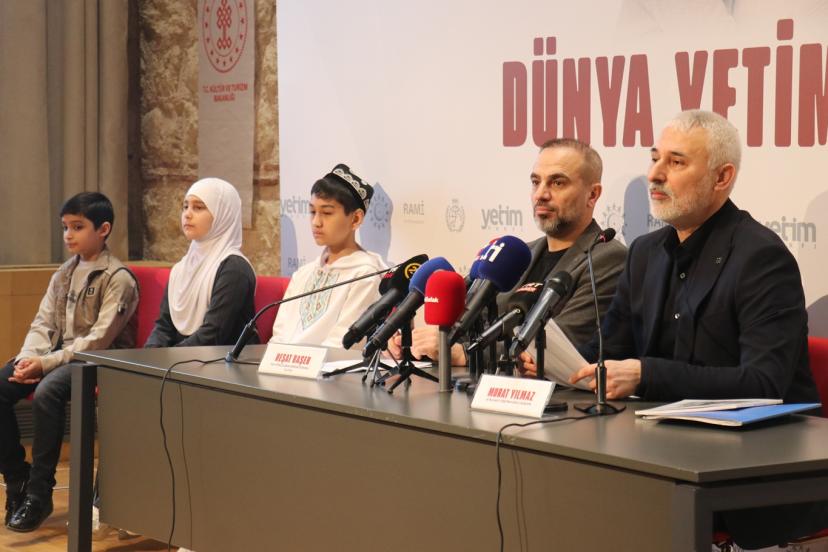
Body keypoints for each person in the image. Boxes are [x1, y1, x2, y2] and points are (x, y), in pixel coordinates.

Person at [568, 110, 825, 548]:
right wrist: (550, 359)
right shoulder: (645, 252)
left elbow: (763, 384)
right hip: (660, 450)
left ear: (722, 177)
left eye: (676, 162)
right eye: (655, 158)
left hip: (754, 473)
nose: (655, 174)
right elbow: (607, 349)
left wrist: (647, 374)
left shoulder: (761, 258)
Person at [389, 139, 626, 368]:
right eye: (536, 182)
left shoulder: (608, 259)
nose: (540, 194)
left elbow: (558, 346)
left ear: (592, 195)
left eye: (557, 183)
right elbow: (467, 324)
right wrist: (415, 342)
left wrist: (465, 354)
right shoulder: (516, 254)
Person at [0, 192, 138, 532]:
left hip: (98, 362)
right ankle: (17, 477)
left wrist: (45, 365)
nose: (68, 235)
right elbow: (43, 323)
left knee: (48, 392)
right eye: (65, 227)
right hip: (57, 356)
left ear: (103, 229)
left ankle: (39, 492)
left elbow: (98, 341)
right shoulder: (64, 273)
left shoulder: (118, 277)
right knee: (2, 385)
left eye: (78, 227)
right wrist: (29, 358)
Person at [271, 164, 387, 347]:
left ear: (355, 219)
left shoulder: (365, 275)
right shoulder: (303, 274)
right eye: (312, 212)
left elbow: (345, 344)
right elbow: (279, 334)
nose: (316, 222)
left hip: (328, 364)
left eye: (326, 213)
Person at [145, 178, 256, 348]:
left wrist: (166, 359)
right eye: (185, 206)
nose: (187, 214)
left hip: (218, 362)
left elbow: (212, 334)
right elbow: (163, 327)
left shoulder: (234, 269)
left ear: (222, 215)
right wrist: (148, 355)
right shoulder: (181, 268)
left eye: (198, 207)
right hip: (180, 359)